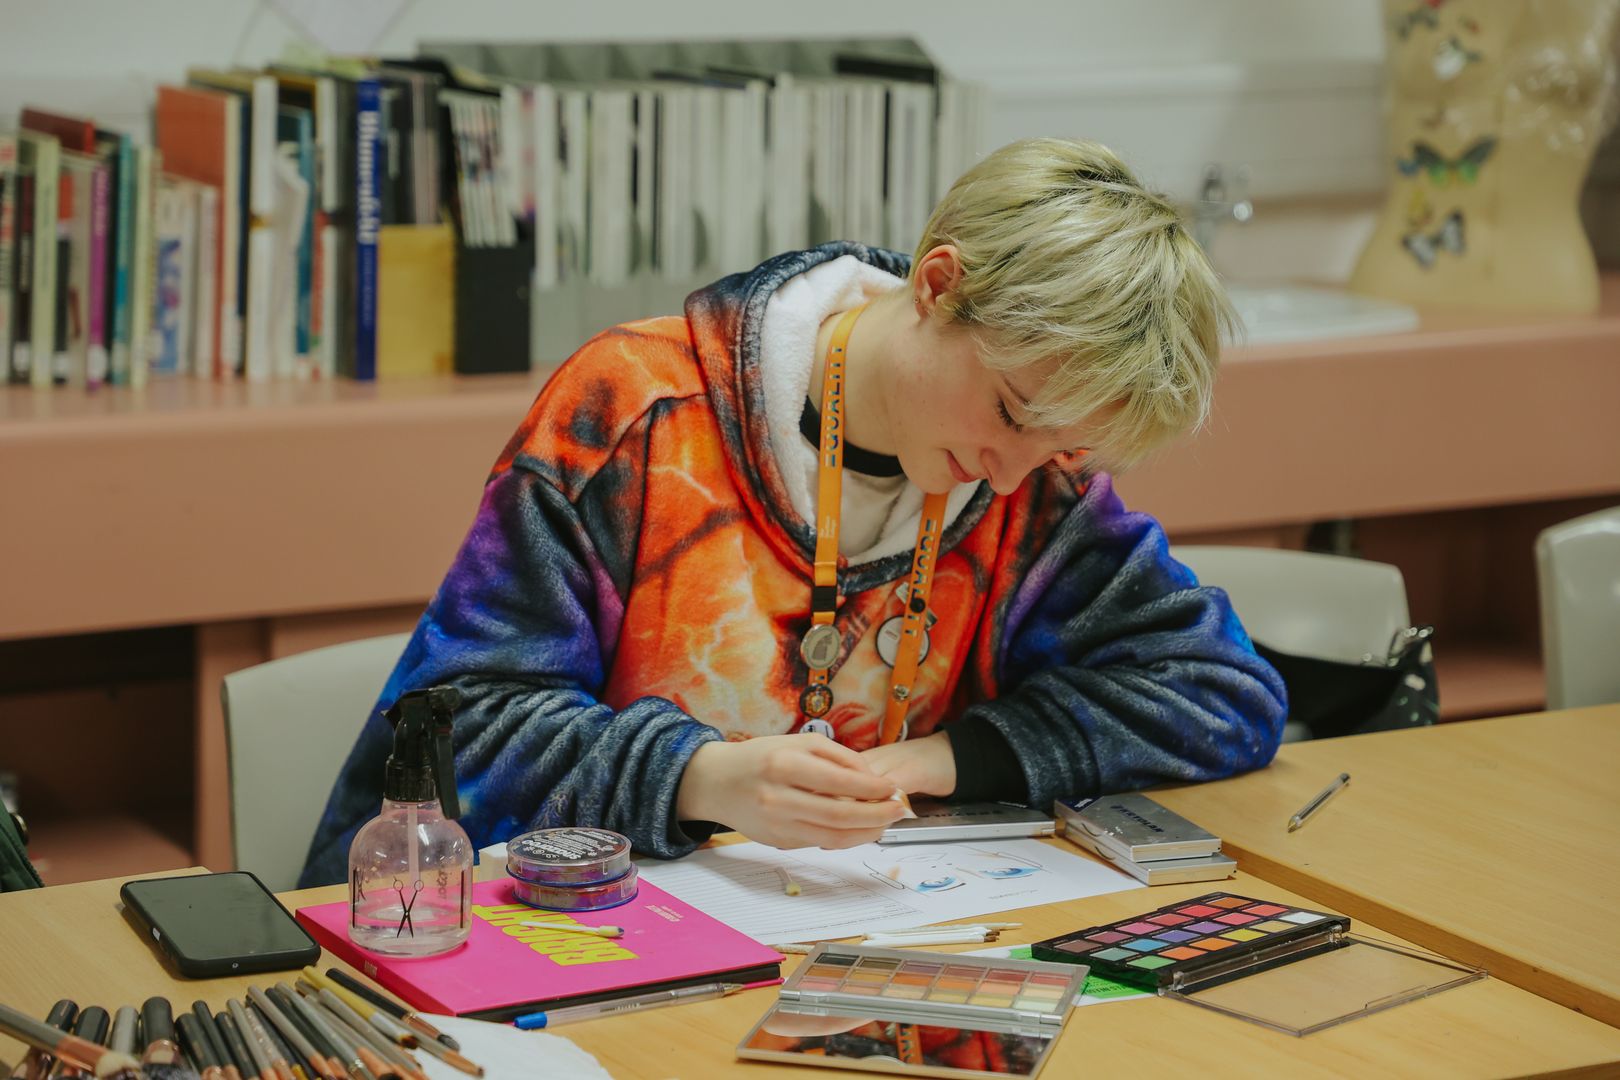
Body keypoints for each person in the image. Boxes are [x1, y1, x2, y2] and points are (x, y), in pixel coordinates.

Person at [299, 137, 1287, 887]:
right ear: (939, 286)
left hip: (849, 935)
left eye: (1063, 448)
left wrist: (954, 758)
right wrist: (698, 777)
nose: (1012, 473)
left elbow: (1222, 693)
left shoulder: (1034, 483)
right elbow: (454, 729)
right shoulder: (636, 412)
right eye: (1011, 412)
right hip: (548, 944)